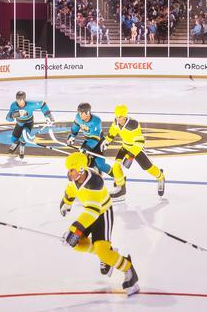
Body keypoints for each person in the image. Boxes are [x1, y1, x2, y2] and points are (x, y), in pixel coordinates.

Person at [59, 151, 139, 294]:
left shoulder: (95, 183)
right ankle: (108, 253)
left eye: (72, 170)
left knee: (98, 250)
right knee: (76, 243)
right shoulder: (74, 179)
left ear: (81, 169)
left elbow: (92, 212)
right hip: (90, 214)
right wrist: (66, 203)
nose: (69, 173)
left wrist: (74, 229)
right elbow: (71, 191)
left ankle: (129, 270)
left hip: (102, 214)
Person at [108, 105, 165, 202]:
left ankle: (161, 177)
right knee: (116, 166)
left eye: (120, 117)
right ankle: (121, 190)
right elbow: (112, 132)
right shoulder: (116, 122)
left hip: (136, 149)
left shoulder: (133, 125)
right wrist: (106, 141)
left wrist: (130, 155)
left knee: (148, 168)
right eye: (117, 116)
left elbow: (139, 142)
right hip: (125, 147)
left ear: (125, 115)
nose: (118, 119)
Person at [5, 90, 54, 159]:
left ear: (24, 99)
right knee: (13, 139)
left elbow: (42, 104)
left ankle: (22, 148)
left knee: (24, 137)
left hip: (29, 123)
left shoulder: (30, 104)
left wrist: (48, 116)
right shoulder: (13, 105)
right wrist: (13, 115)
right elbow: (8, 118)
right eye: (17, 100)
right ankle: (16, 143)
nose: (19, 102)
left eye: (21, 100)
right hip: (19, 123)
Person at [68, 103, 113, 177]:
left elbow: (95, 138)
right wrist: (72, 136)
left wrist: (86, 148)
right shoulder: (78, 117)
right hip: (88, 141)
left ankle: (117, 176)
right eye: (79, 113)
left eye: (82, 113)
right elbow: (75, 127)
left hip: (98, 142)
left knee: (101, 165)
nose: (81, 115)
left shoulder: (96, 121)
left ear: (88, 112)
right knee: (83, 160)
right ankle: (95, 166)